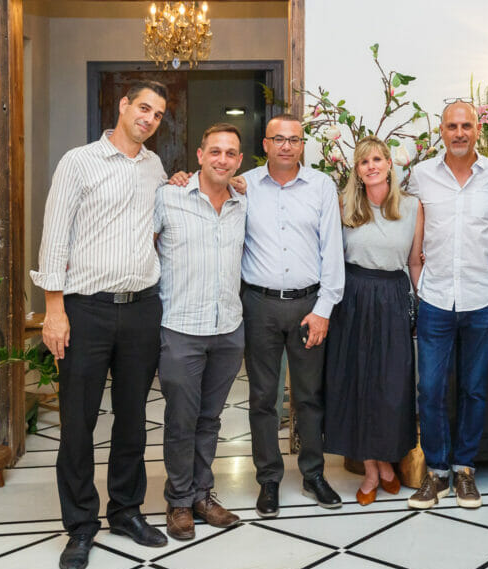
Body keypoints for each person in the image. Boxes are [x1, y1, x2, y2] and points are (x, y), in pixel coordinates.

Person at [32, 80, 170, 569]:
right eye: (143, 107)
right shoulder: (79, 162)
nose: (149, 118)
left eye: (158, 113)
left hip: (141, 310)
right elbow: (54, 236)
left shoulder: (155, 167)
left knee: (133, 418)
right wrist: (54, 309)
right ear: (123, 106)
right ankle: (80, 525)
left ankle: (126, 510)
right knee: (78, 421)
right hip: (85, 310)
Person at [241, 113, 345, 516]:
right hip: (259, 304)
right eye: (278, 139)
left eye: (294, 139)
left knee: (309, 396)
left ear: (303, 145)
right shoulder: (243, 185)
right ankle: (268, 479)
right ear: (265, 144)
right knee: (262, 398)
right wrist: (181, 179)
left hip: (308, 306)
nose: (287, 146)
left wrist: (324, 310)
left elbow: (331, 250)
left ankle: (313, 474)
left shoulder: (321, 186)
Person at [406, 100, 488, 510]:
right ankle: (437, 471)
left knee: (474, 389)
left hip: (483, 296)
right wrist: (419, 286)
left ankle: (464, 469)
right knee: (429, 389)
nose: (459, 133)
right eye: (451, 126)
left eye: (466, 126)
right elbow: (412, 234)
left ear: (477, 129)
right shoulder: (421, 176)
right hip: (436, 298)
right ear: (440, 131)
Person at [155, 123, 246, 540]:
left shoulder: (243, 204)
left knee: (209, 419)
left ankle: (201, 495)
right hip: (181, 328)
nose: (222, 159)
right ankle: (178, 501)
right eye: (215, 151)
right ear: (200, 154)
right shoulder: (168, 197)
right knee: (181, 420)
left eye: (230, 153)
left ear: (238, 161)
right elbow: (142, 249)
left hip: (228, 329)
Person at [324, 136, 423, 505]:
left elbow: (414, 262)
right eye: (364, 162)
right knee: (357, 384)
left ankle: (386, 461)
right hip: (353, 297)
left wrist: (422, 305)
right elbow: (331, 258)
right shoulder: (344, 204)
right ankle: (371, 469)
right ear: (357, 169)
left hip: (394, 296)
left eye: (378, 159)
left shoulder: (411, 206)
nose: (372, 167)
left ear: (389, 165)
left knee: (391, 385)